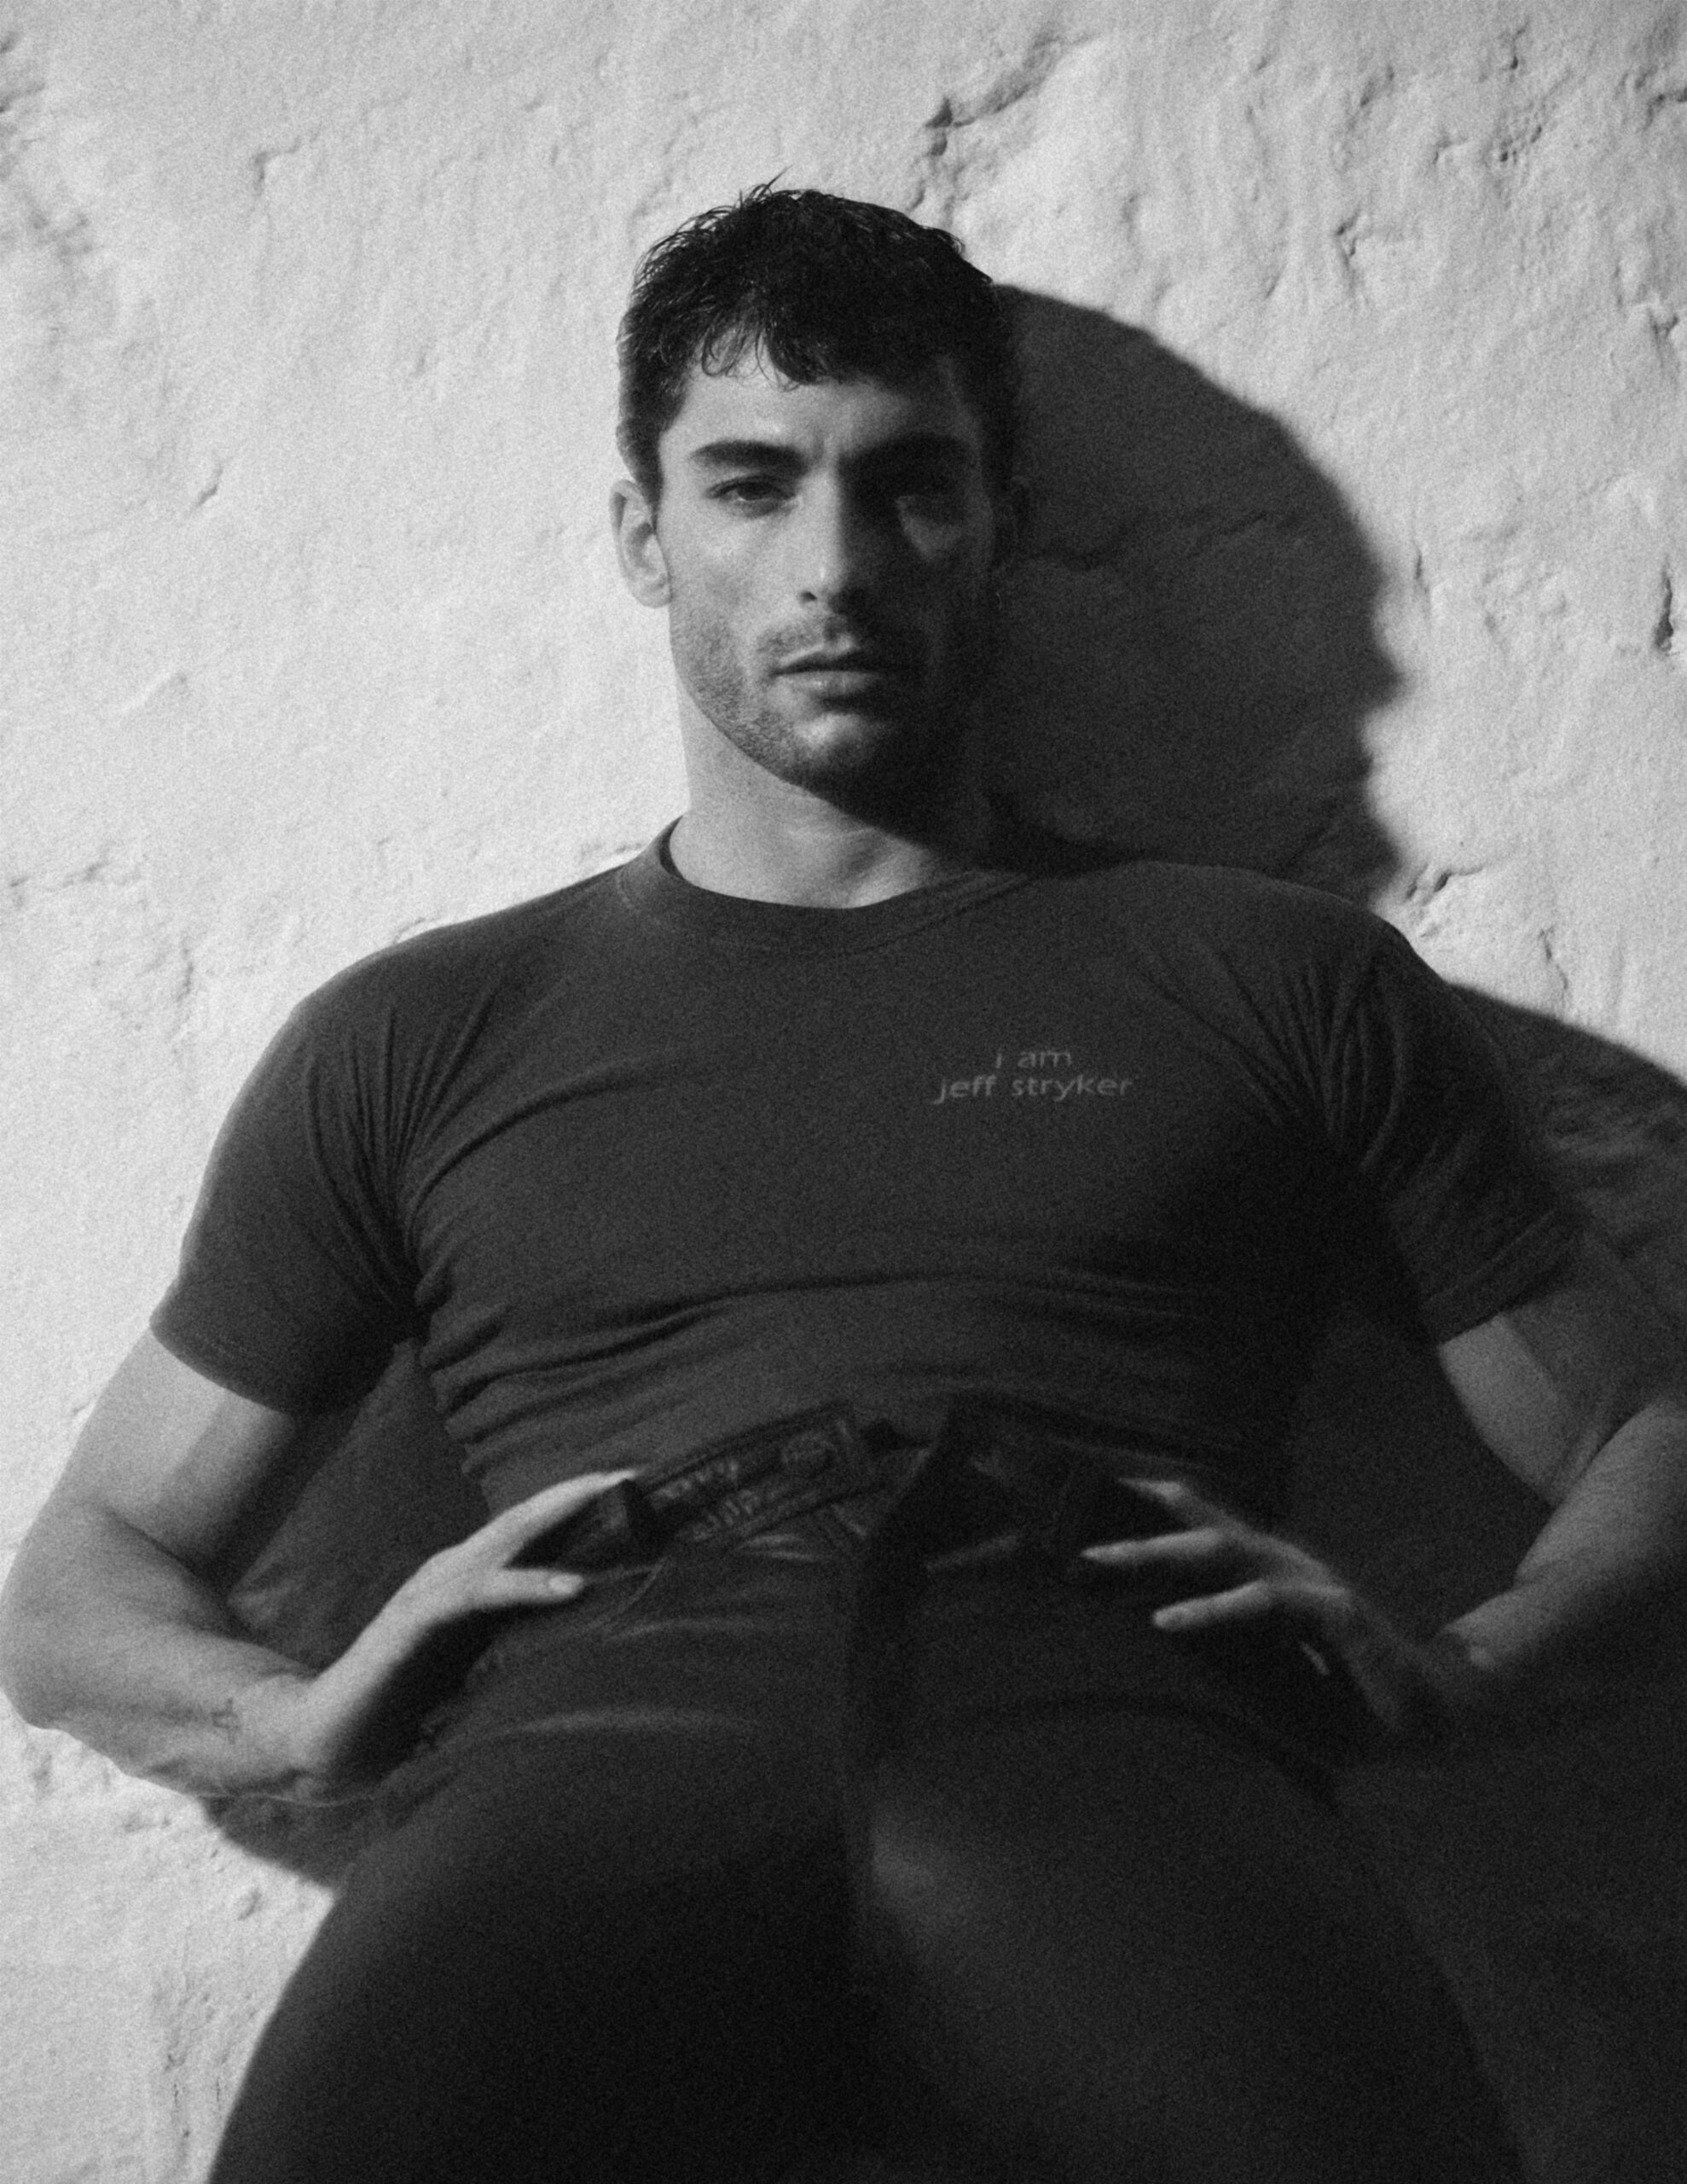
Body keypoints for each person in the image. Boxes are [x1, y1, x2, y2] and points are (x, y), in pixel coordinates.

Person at [3, 186, 1685, 2184]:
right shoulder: (423, 1031)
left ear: (996, 522)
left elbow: (1644, 1423)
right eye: (750, 484)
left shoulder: (1269, 974)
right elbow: (83, 1577)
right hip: (595, 1719)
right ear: (642, 534)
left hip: (1108, 1709)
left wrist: (1465, 1672)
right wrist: (292, 1723)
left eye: (905, 485)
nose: (832, 565)